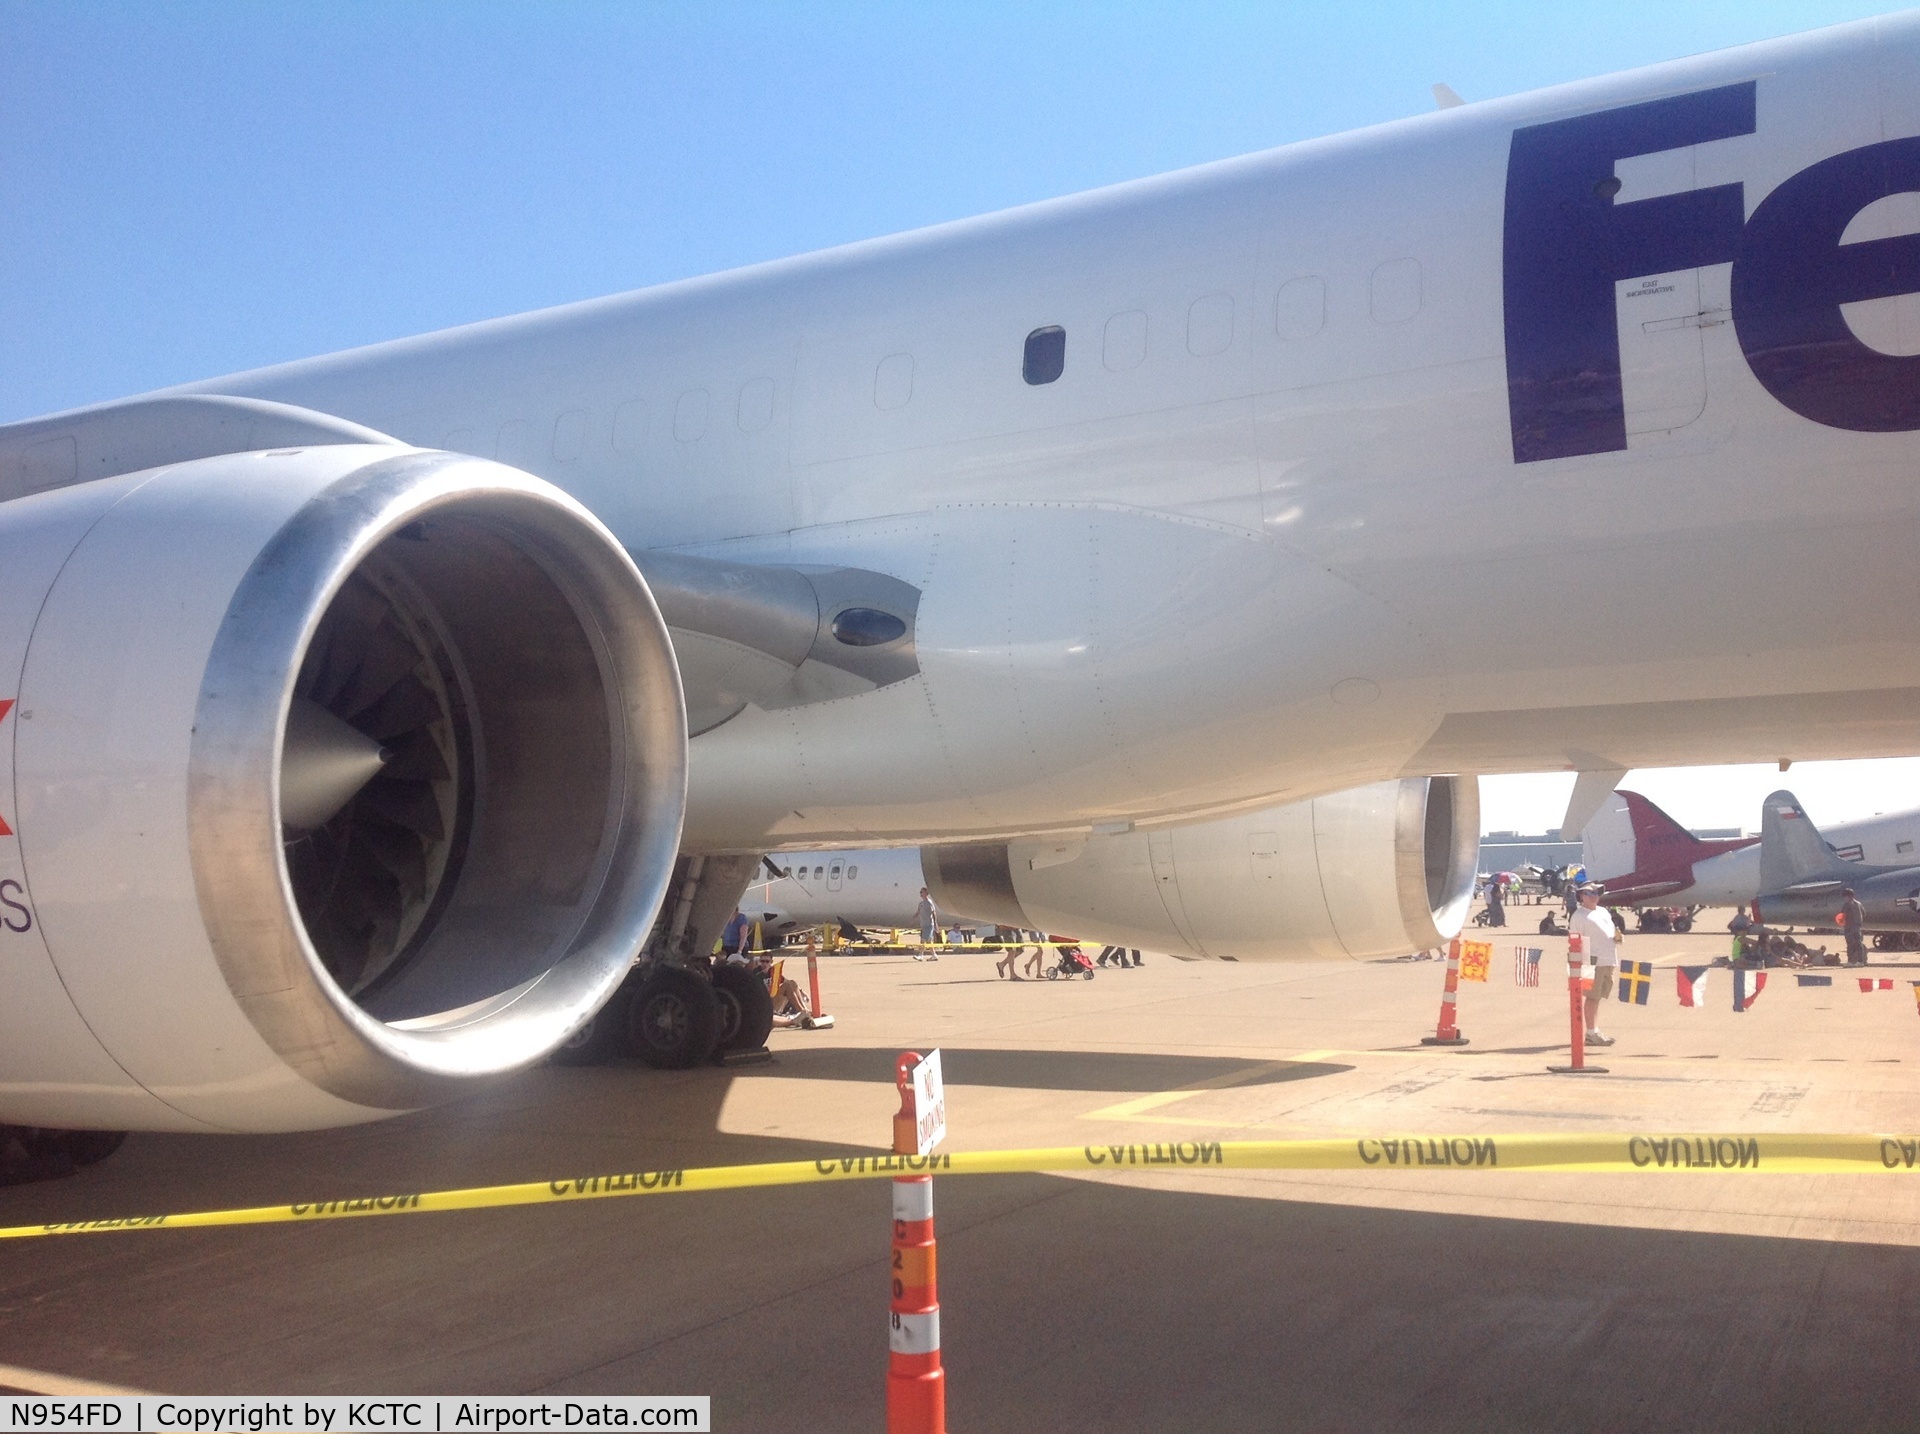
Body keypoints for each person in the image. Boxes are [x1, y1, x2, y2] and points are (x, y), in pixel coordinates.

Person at [1567, 884, 1619, 1046]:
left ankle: (1594, 1029)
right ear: (1581, 896)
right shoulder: (1579, 916)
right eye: (1589, 893)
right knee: (1592, 997)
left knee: (1598, 998)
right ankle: (1591, 1032)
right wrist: (1578, 965)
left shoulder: (1602, 911)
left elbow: (1609, 931)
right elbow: (1574, 940)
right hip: (1591, 962)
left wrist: (1617, 937)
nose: (1594, 896)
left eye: (1597, 893)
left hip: (1608, 959)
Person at [1840, 887, 1868, 965]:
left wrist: (1843, 922)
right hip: (1858, 927)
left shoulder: (1847, 904)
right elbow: (1864, 913)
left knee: (1850, 945)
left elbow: (1842, 915)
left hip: (1849, 927)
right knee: (1859, 944)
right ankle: (1861, 961)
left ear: (1847, 896)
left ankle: (1850, 961)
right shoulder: (1859, 903)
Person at [914, 888, 940, 961]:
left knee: (923, 940)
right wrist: (912, 919)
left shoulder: (929, 902)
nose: (920, 893)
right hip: (923, 924)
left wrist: (935, 924)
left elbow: (933, 913)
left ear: (926, 893)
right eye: (920, 892)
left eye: (922, 892)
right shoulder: (921, 904)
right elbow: (918, 912)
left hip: (929, 925)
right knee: (929, 941)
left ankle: (920, 955)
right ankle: (934, 955)